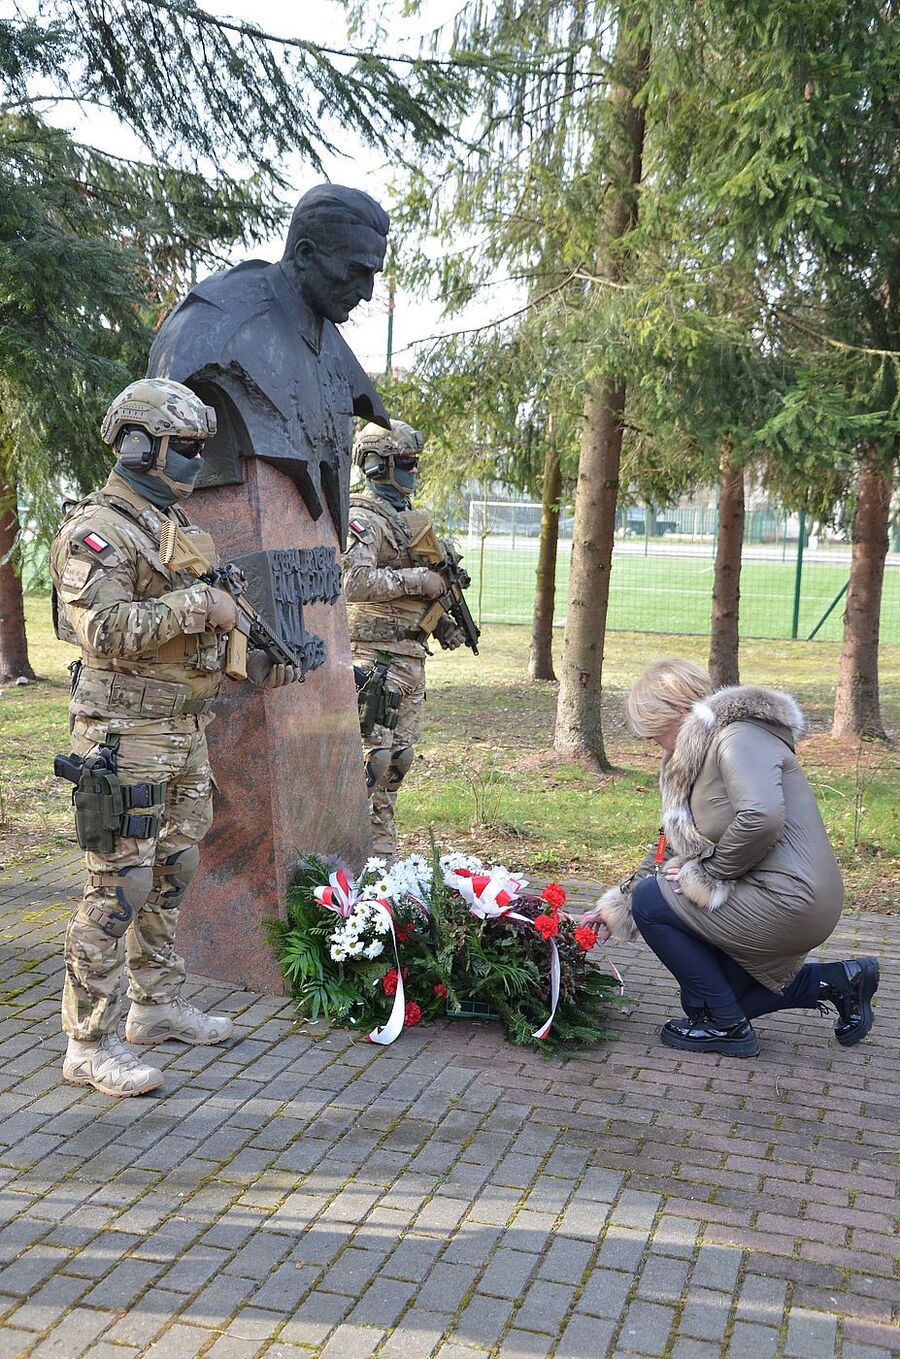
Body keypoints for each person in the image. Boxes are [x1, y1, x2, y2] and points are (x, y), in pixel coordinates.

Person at [50, 378, 301, 1097]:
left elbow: (205, 637)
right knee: (117, 885)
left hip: (183, 728)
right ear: (138, 445)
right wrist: (196, 604)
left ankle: (154, 1005)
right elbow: (102, 629)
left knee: (173, 868)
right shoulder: (96, 532)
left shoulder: (174, 526)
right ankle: (86, 1043)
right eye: (183, 446)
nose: (195, 461)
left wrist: (255, 663)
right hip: (124, 733)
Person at [582, 659, 879, 1057]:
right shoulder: (698, 757)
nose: (657, 746)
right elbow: (673, 844)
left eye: (656, 734)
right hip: (771, 892)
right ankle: (839, 981)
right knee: (709, 1000)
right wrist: (616, 906)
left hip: (791, 898)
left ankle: (727, 1029)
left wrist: (710, 874)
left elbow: (761, 817)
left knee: (652, 901)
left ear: (680, 712)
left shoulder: (738, 737)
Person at [148, 183, 391, 545]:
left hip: (313, 566)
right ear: (305, 254)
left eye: (373, 275)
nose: (367, 293)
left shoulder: (333, 344)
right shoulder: (216, 329)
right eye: (356, 271)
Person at [342, 420, 468, 862]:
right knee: (370, 762)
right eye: (405, 462)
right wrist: (418, 580)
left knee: (397, 762)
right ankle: (350, 860)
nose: (413, 470)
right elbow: (352, 581)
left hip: (410, 657)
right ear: (378, 465)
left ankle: (382, 859)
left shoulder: (408, 518)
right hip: (375, 658)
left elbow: (420, 592)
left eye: (415, 462)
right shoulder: (363, 517)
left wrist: (441, 623)